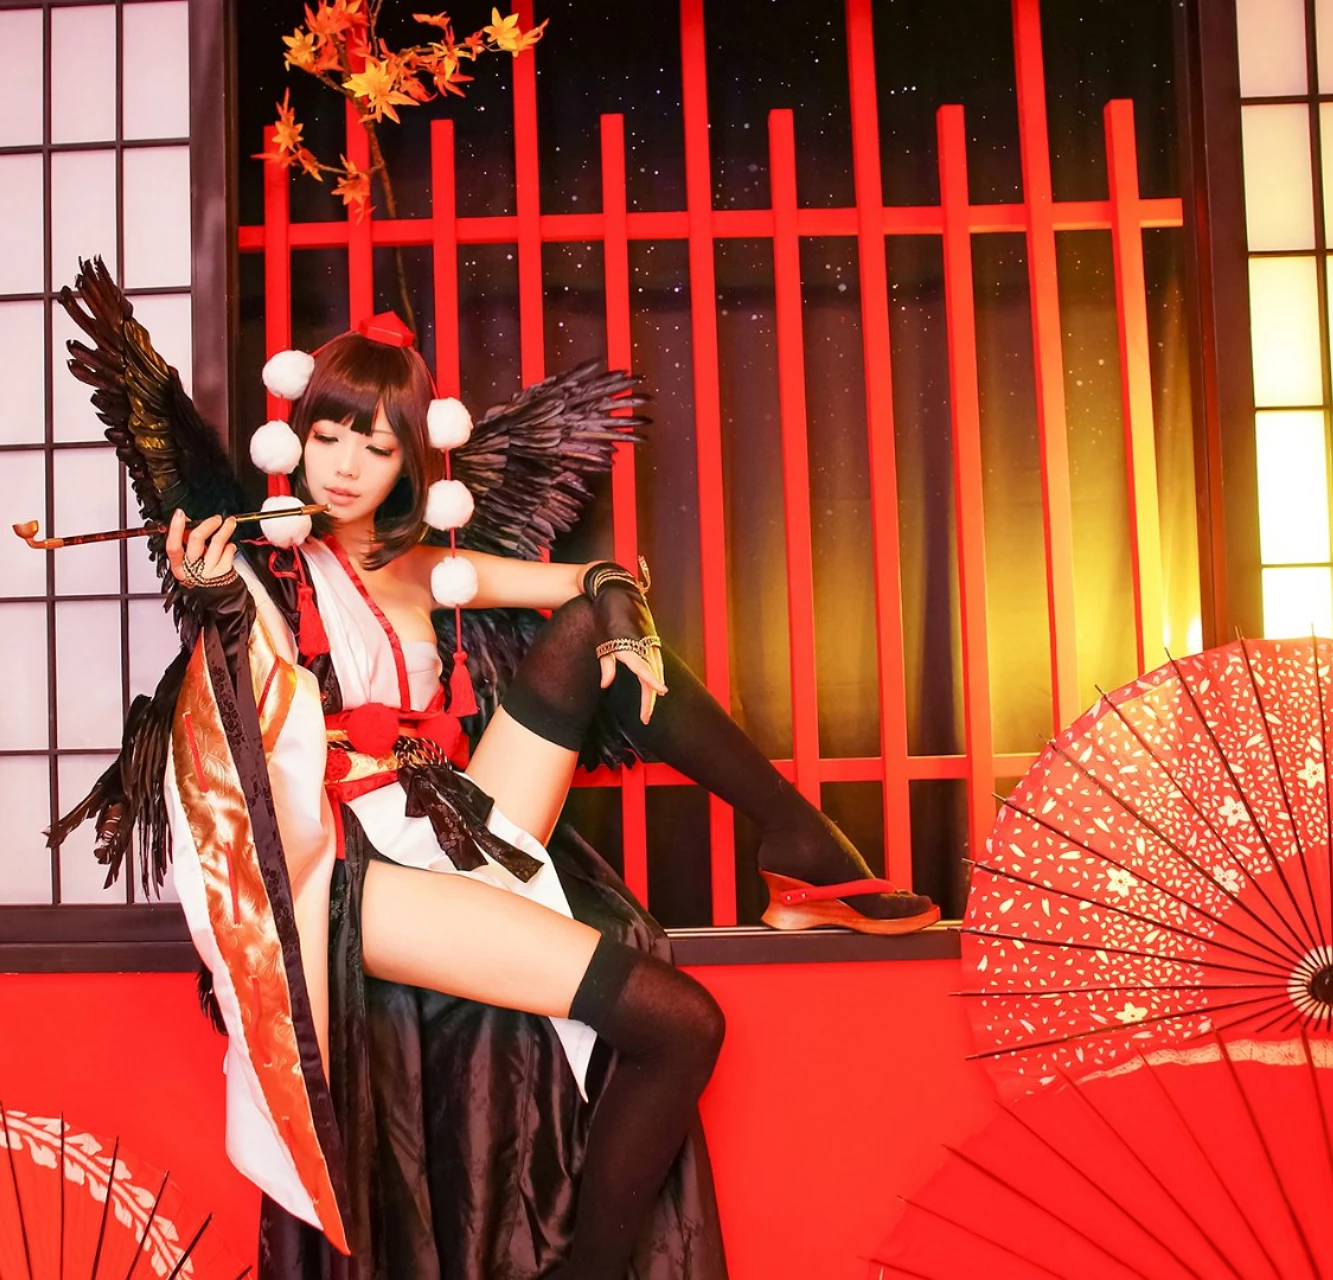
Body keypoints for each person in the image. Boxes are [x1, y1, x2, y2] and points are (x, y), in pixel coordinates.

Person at [50, 269, 935, 1278]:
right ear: (296, 438)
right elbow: (240, 707)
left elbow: (589, 585)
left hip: (452, 810)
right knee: (683, 1024)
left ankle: (796, 840)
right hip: (355, 867)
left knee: (595, 623)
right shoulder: (265, 570)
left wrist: (618, 600)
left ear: (410, 461)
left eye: (376, 447)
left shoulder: (424, 566)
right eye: (328, 437)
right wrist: (216, 592)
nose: (345, 467)